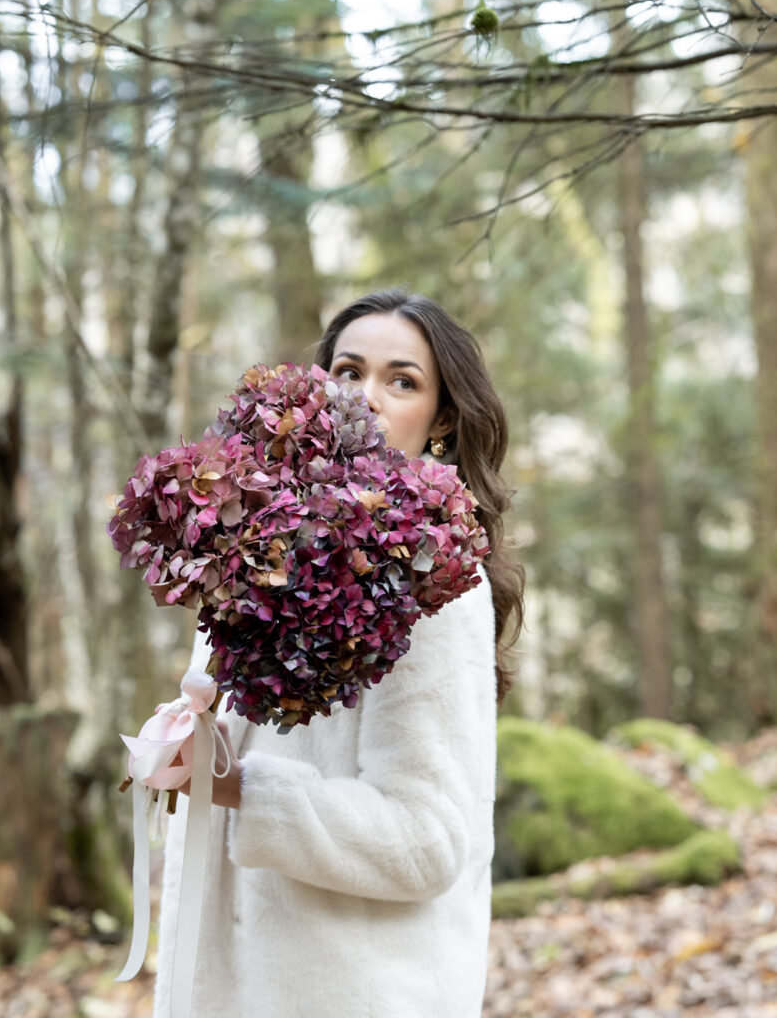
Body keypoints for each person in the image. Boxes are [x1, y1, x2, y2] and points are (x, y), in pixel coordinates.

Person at [152, 290, 523, 1018]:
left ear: (442, 420)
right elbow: (255, 751)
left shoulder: (437, 580)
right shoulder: (261, 551)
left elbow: (427, 839)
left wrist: (239, 789)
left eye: (402, 380)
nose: (366, 398)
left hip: (361, 993)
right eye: (348, 372)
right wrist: (188, 748)